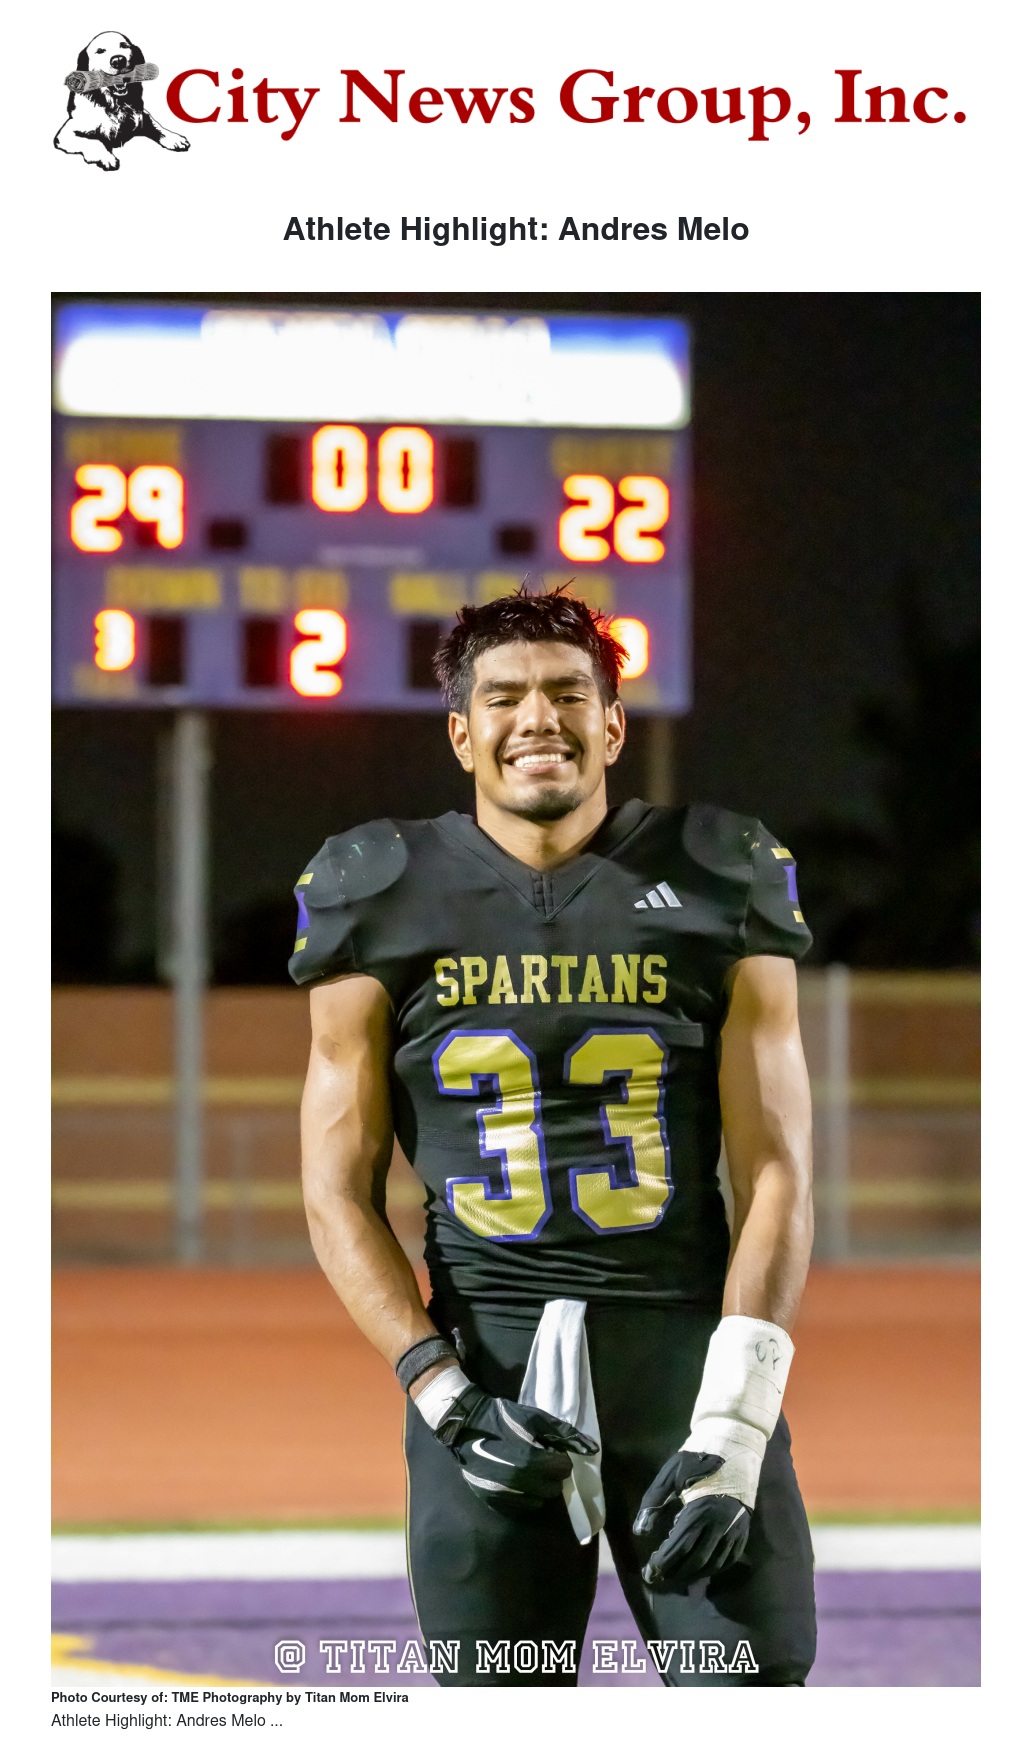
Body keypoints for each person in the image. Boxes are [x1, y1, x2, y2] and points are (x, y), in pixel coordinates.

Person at [291, 586, 816, 1687]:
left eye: (570, 692)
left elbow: (775, 1164)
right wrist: (441, 1391)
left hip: (683, 1361)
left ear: (612, 724)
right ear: (461, 732)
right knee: (502, 1701)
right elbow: (336, 1188)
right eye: (506, 696)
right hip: (490, 1368)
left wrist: (737, 1417)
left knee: (752, 1693)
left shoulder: (719, 870)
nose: (540, 717)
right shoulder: (375, 889)